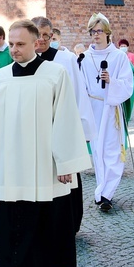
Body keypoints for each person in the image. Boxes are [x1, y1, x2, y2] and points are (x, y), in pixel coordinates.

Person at [0, 20, 90, 267]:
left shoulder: (55, 74)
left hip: (42, 164)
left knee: (42, 220)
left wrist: (66, 164)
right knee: (8, 222)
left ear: (36, 43)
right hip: (9, 165)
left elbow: (65, 119)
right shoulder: (0, 78)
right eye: (11, 44)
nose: (14, 49)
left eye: (20, 44)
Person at [31, 16, 96, 233]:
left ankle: (70, 224)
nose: (41, 40)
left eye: (45, 35)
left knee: (67, 175)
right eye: (37, 35)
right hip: (36, 131)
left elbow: (78, 94)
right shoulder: (22, 62)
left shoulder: (64, 60)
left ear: (52, 36)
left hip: (63, 126)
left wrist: (80, 130)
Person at [79, 13, 134, 212]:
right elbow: (81, 85)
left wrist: (112, 82)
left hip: (110, 109)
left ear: (108, 33)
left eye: (99, 30)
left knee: (111, 152)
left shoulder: (119, 56)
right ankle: (102, 191)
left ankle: (107, 193)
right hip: (93, 108)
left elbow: (128, 85)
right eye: (92, 31)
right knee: (97, 152)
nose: (96, 35)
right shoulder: (84, 58)